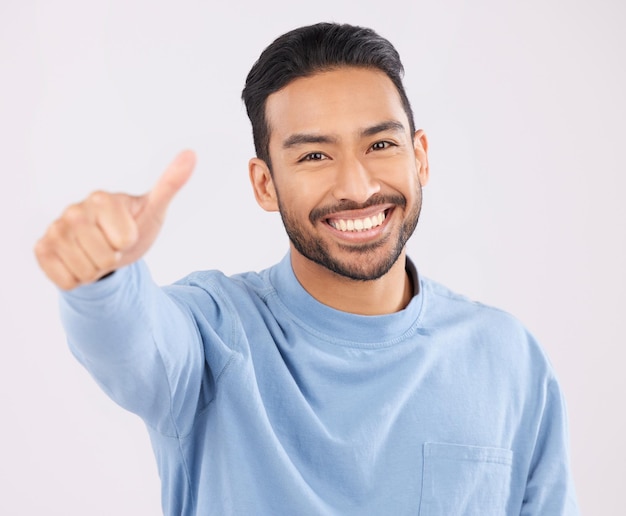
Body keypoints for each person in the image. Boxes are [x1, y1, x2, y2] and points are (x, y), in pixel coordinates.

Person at [34, 22, 579, 515]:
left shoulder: (509, 356)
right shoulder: (214, 334)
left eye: (381, 144)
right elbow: (131, 342)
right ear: (264, 184)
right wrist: (101, 274)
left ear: (421, 158)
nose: (358, 187)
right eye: (315, 156)